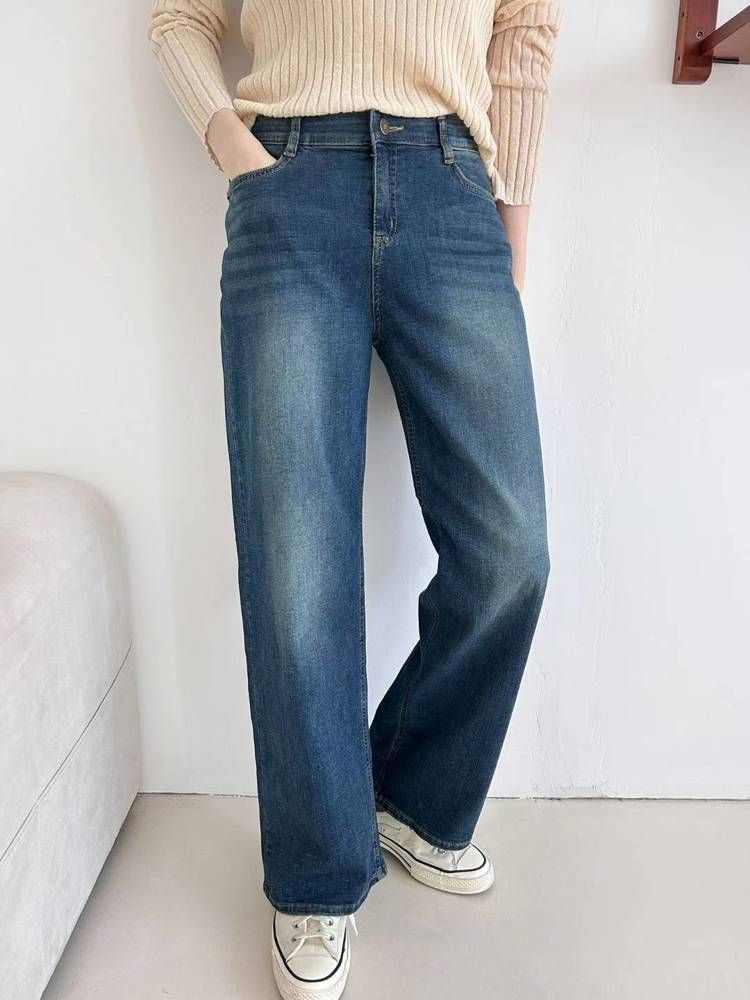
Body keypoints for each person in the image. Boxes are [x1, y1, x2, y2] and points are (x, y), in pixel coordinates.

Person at [149, 2, 561, 997]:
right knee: (299, 568)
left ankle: (411, 800)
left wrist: (509, 227)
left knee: (511, 552)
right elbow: (178, 19)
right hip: (293, 179)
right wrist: (234, 145)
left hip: (454, 186)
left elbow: (526, 35)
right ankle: (316, 873)